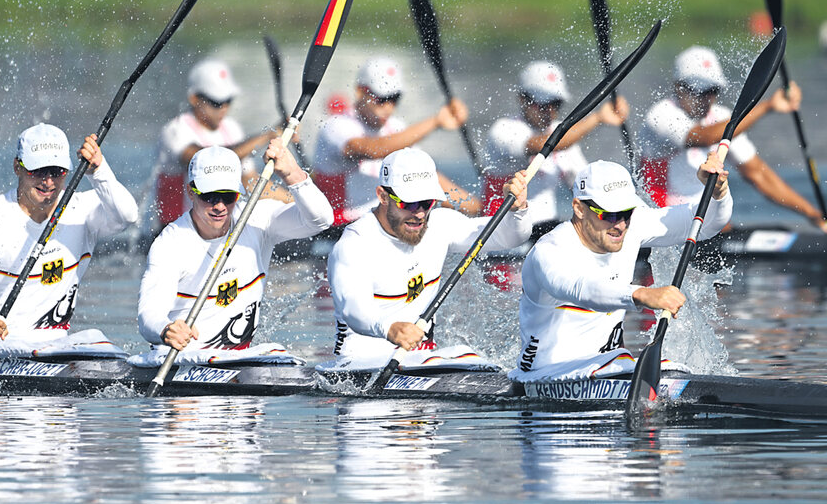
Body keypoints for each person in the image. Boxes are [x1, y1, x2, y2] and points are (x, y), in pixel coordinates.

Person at [512, 157, 732, 381]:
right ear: (579, 208)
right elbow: (581, 290)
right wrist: (642, 294)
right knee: (639, 364)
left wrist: (717, 193)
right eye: (609, 214)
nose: (620, 225)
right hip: (543, 375)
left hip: (607, 368)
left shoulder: (630, 228)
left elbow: (702, 225)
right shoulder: (549, 251)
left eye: (627, 213)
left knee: (667, 367)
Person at [325, 147, 530, 364]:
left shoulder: (440, 225)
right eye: (410, 203)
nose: (420, 214)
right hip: (361, 364)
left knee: (467, 355)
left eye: (427, 203)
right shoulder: (355, 245)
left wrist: (518, 210)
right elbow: (354, 309)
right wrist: (391, 329)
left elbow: (509, 238)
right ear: (382, 196)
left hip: (420, 360)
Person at [0, 123, 138, 360]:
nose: (48, 182)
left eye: (56, 171)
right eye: (37, 171)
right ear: (17, 167)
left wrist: (99, 170)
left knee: (98, 340)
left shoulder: (81, 210)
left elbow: (128, 215)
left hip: (54, 346)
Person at [136, 141, 333, 362]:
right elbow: (148, 315)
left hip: (239, 362)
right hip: (184, 359)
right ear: (191, 192)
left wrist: (293, 174)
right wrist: (166, 329)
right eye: (209, 196)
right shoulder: (170, 244)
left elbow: (322, 221)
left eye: (228, 196)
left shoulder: (257, 219)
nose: (219, 206)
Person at [639, 45, 827, 233]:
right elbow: (704, 137)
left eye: (712, 91)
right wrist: (767, 106)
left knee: (780, 231)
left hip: (706, 228)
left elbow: (758, 175)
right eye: (700, 91)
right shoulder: (661, 115)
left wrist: (811, 214)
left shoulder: (722, 117)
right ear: (679, 87)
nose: (707, 99)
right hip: (665, 227)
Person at [312, 57, 482, 226]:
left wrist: (480, 211)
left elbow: (427, 178)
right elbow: (374, 149)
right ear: (360, 92)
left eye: (394, 98)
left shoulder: (397, 128)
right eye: (381, 99)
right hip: (338, 227)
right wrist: (436, 122)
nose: (388, 107)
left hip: (387, 222)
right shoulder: (336, 126)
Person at [483, 61, 629, 222]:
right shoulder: (503, 130)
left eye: (556, 104)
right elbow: (543, 145)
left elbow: (588, 187)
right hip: (503, 231)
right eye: (544, 105)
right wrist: (597, 118)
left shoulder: (563, 134)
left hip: (545, 228)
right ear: (523, 99)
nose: (550, 111)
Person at [153, 58, 290, 229]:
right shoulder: (175, 131)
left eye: (228, 100)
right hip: (172, 229)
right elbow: (205, 159)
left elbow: (251, 182)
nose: (224, 108)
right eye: (216, 102)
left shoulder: (232, 129)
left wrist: (295, 203)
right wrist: (269, 135)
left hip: (211, 228)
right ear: (194, 98)